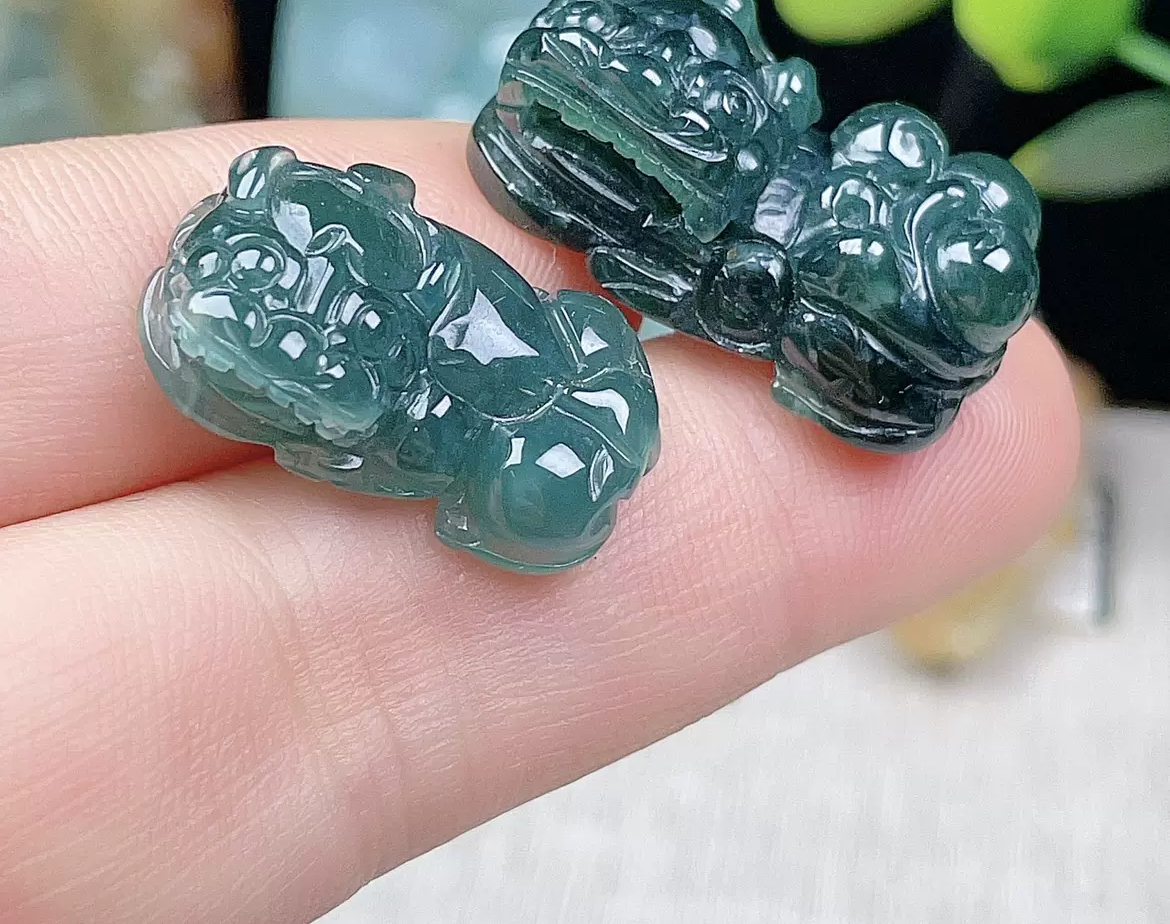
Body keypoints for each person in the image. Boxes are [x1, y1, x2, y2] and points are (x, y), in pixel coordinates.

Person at [0, 121, 1078, 923]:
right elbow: (356, 402)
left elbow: (407, 342)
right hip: (433, 366)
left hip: (473, 362)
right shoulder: (397, 355)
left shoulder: (489, 352)